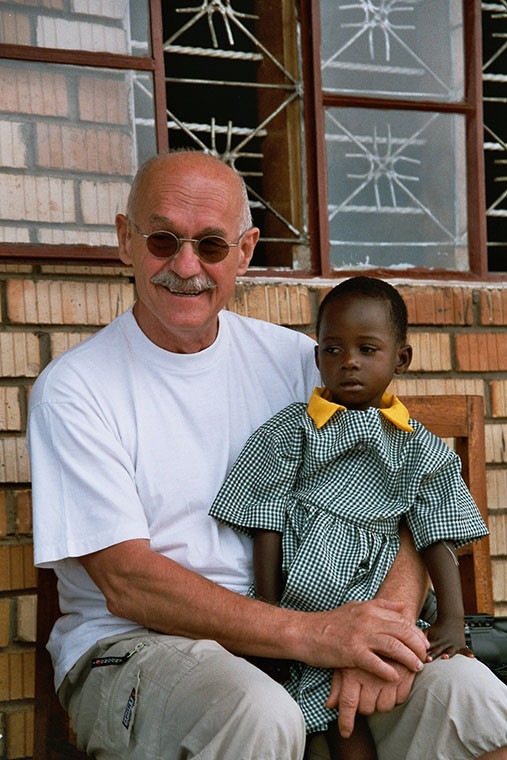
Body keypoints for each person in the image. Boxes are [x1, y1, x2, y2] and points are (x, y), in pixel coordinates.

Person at [26, 151, 507, 760]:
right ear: (126, 239)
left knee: (473, 699)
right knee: (256, 713)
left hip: (311, 636)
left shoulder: (299, 362)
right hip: (143, 643)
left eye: (211, 245)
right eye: (162, 239)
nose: (185, 265)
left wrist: (380, 629)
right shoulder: (76, 389)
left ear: (246, 251)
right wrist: (318, 637)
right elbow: (129, 585)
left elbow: (415, 494)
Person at [209, 276, 490, 760]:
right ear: (318, 357)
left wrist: (452, 617)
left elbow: (435, 534)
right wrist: (273, 612)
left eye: (367, 349)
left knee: (348, 725)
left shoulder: (417, 448)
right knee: (310, 725)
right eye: (334, 350)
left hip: (370, 604)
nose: (350, 362)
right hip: (299, 610)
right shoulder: (292, 431)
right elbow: (267, 523)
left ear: (400, 359)